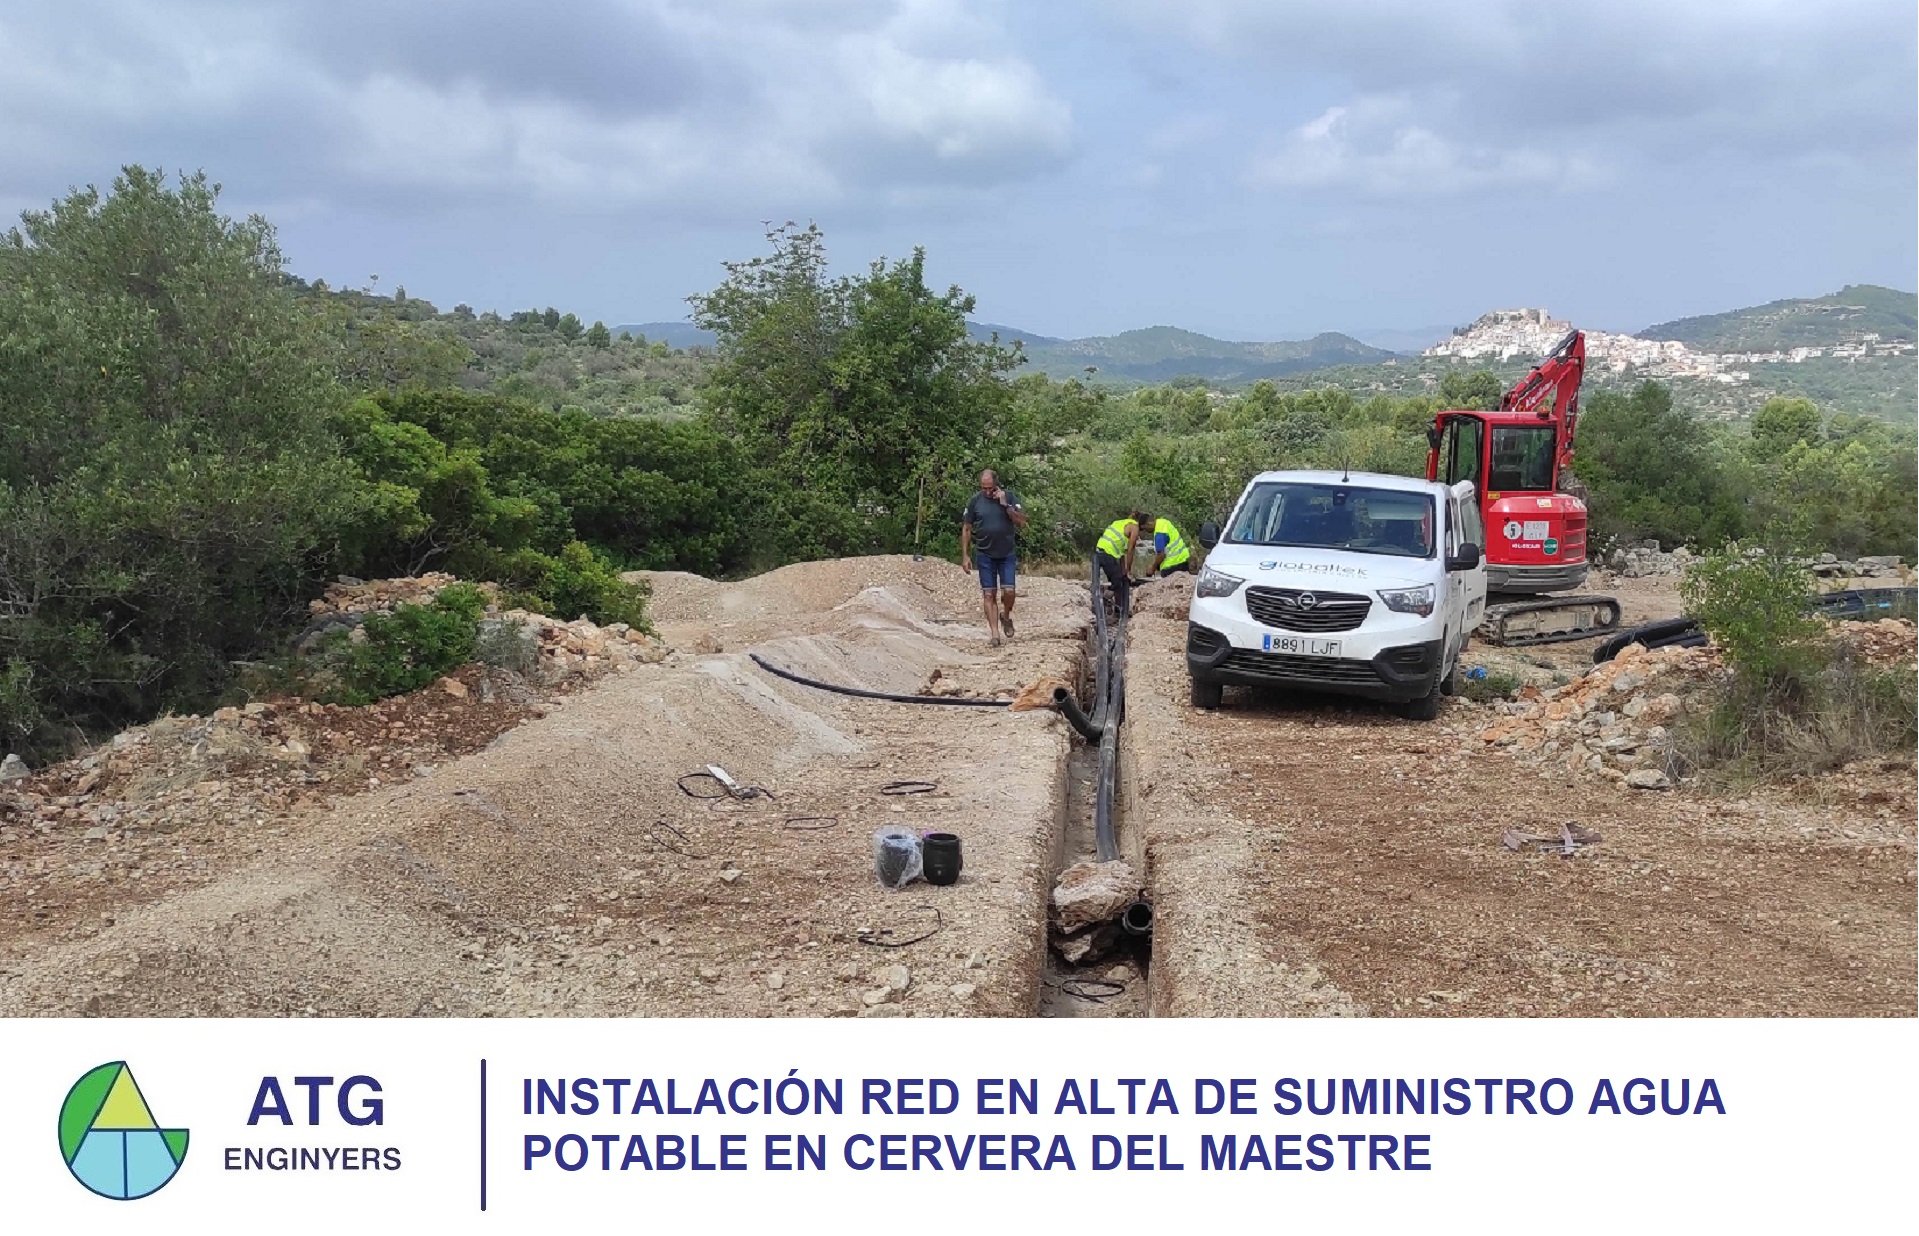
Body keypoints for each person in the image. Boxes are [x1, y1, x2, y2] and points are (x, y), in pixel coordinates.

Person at [959, 469, 1026, 646]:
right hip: (984, 553)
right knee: (989, 594)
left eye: (990, 488)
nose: (987, 492)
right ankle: (995, 634)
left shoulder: (1010, 497)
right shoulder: (975, 501)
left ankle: (1006, 615)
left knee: (1009, 592)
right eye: (984, 488)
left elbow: (1021, 522)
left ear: (996, 484)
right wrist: (965, 555)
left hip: (1006, 553)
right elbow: (966, 528)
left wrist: (1006, 505)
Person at [1095, 510, 1150, 617]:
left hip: (1100, 551)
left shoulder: (1121, 523)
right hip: (1108, 553)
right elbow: (1130, 550)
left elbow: (1121, 553)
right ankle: (1104, 600)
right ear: (1142, 525)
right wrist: (1129, 570)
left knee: (1120, 578)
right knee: (1117, 583)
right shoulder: (1134, 527)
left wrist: (1124, 571)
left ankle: (1118, 610)